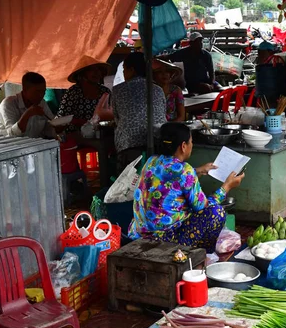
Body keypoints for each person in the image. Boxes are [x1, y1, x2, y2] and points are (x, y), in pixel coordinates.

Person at [129, 122, 245, 251]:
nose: (192, 145)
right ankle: (203, 254)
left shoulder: (151, 161)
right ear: (183, 146)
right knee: (216, 213)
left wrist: (198, 171)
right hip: (164, 240)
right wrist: (227, 187)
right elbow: (204, 207)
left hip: (139, 234)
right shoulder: (185, 171)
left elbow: (169, 180)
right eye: (191, 142)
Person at [112, 52, 167, 173]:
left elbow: (117, 118)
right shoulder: (158, 89)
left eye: (124, 70)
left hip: (129, 146)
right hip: (159, 144)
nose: (124, 74)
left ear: (132, 70)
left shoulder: (117, 90)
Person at [57, 56, 114, 131]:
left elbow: (113, 112)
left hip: (99, 133)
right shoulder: (73, 92)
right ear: (83, 74)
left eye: (98, 70)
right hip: (75, 134)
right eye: (91, 70)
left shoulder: (105, 92)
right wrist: (86, 122)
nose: (96, 73)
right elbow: (63, 118)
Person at [0, 72, 56, 138]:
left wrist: (57, 128)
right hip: (6, 146)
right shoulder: (8, 104)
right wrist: (28, 114)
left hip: (33, 145)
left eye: (43, 91)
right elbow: (12, 134)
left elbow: (49, 127)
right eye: (37, 92)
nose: (41, 95)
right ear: (25, 90)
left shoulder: (42, 103)